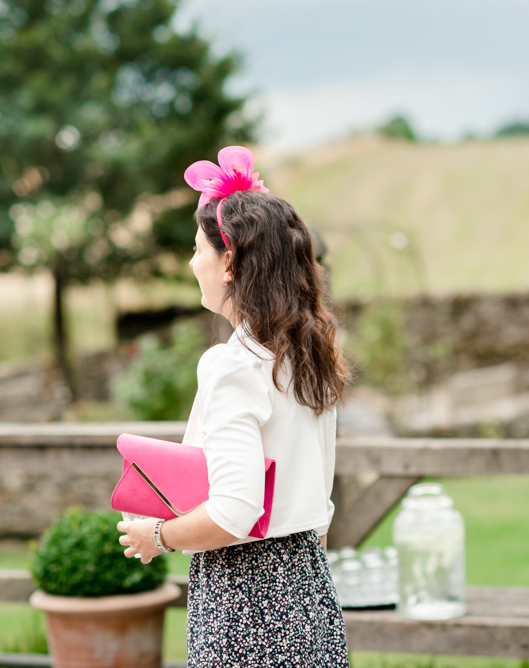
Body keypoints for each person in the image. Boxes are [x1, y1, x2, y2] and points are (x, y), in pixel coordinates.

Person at [117, 146, 351, 667]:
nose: (191, 261)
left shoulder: (234, 366)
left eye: (197, 248)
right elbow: (319, 502)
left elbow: (236, 510)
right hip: (306, 588)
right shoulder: (308, 354)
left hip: (246, 600)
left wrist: (157, 535)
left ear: (229, 263)